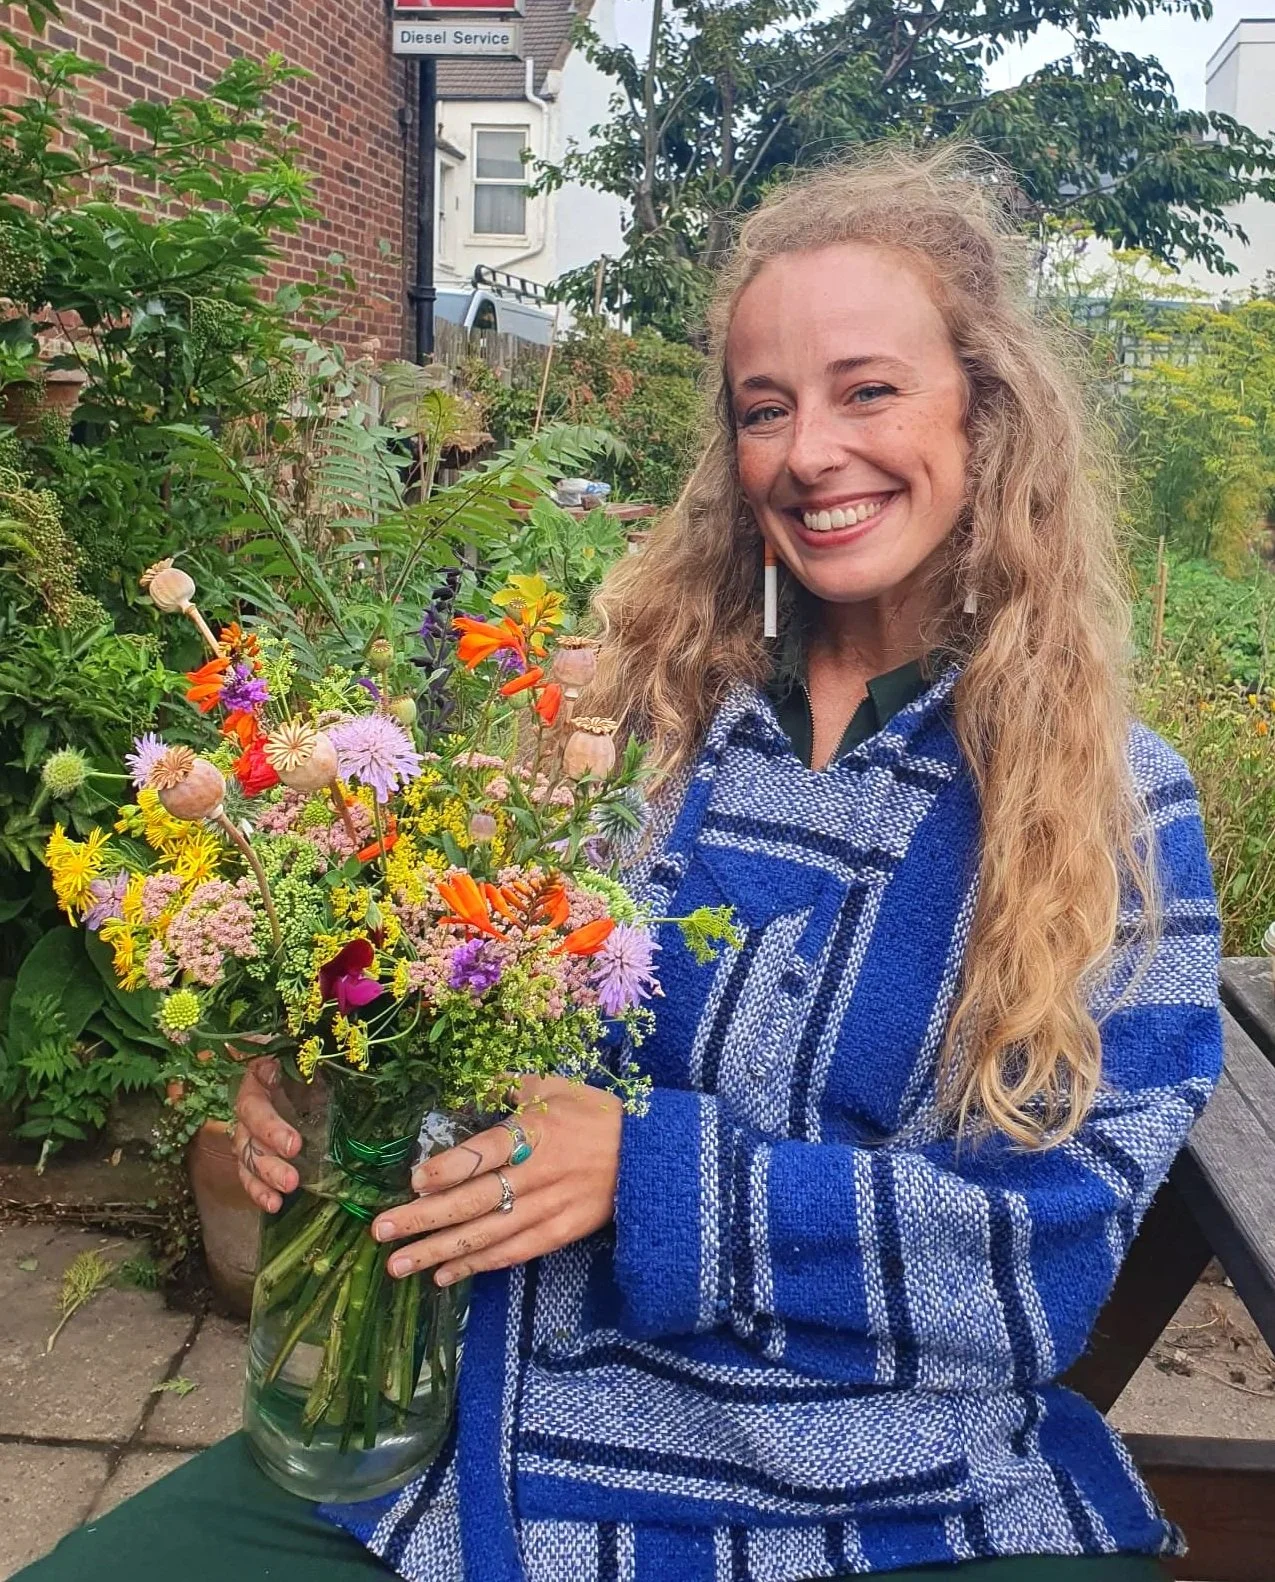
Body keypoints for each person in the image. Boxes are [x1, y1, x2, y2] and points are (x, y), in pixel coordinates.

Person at [21, 145, 1221, 1582]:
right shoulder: (617, 727)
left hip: (895, 1491)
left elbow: (1054, 1250)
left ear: (987, 411)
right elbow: (445, 1016)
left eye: (867, 389)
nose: (809, 450)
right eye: (763, 408)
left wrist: (654, 1174)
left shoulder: (1107, 800)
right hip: (495, 1443)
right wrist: (320, 1081)